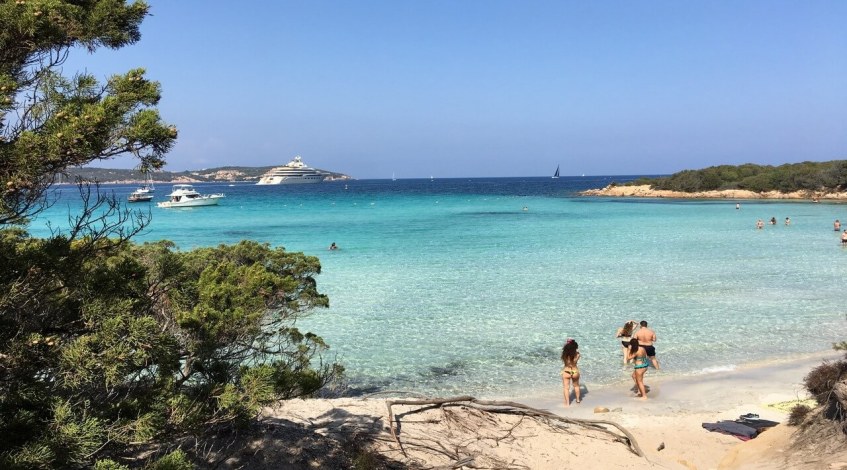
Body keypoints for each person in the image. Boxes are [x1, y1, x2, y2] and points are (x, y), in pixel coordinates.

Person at [560, 339, 581, 406]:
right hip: (575, 371)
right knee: (576, 386)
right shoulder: (577, 354)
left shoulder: (564, 355)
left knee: (566, 388)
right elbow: (576, 359)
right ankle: (578, 400)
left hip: (566, 371)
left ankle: (567, 403)